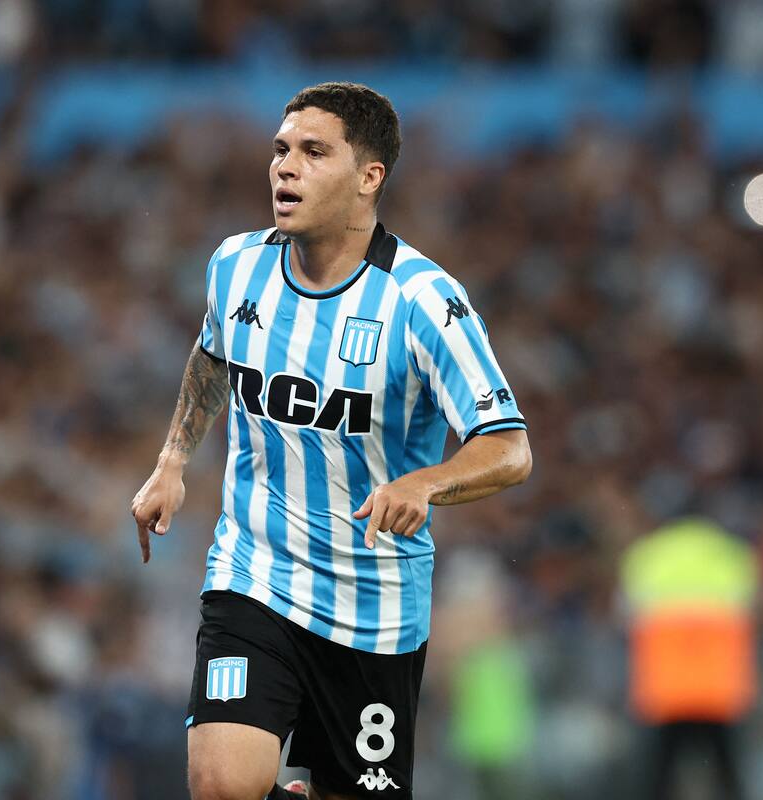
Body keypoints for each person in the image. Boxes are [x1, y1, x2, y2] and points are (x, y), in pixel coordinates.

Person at [130, 81, 532, 800]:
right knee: (221, 785)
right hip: (255, 576)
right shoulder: (237, 266)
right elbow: (213, 356)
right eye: (281, 150)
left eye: (314, 152)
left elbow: (509, 447)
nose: (285, 167)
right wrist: (171, 462)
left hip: (374, 610)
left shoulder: (423, 302)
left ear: (368, 177)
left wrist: (426, 481)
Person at [619, 517, 761, 800]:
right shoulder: (733, 555)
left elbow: (625, 613)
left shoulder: (647, 556)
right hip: (720, 692)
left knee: (656, 780)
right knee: (730, 779)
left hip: (666, 693)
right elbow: (755, 608)